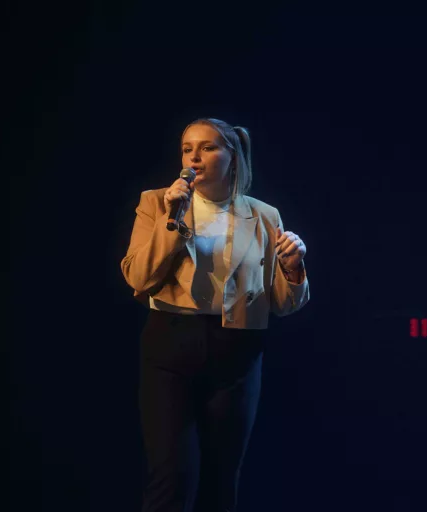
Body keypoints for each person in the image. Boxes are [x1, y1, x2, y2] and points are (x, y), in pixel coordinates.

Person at [120, 118, 310, 512]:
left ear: (233, 156)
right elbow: (138, 277)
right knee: (172, 474)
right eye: (188, 148)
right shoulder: (156, 203)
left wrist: (293, 267)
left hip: (237, 350)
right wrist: (173, 218)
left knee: (222, 477)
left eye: (207, 148)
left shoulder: (263, 215)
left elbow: (283, 303)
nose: (194, 157)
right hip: (171, 345)